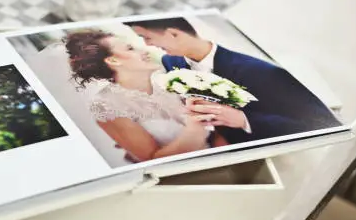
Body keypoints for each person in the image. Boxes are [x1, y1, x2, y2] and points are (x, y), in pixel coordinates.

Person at [125, 17, 341, 144]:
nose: (148, 44)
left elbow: (323, 125)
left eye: (147, 37)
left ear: (173, 34)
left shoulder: (260, 71)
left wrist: (243, 119)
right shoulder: (170, 61)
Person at [64, 30, 215, 162]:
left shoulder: (167, 78)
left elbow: (217, 132)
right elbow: (153, 161)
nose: (144, 50)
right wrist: (197, 127)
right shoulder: (106, 107)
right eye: (130, 49)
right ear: (113, 60)